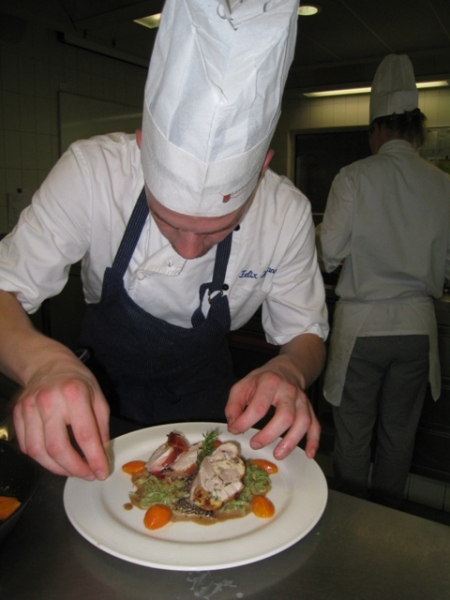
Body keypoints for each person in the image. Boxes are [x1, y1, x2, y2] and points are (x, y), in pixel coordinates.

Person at [0, 0, 328, 481]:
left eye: (217, 228)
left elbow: (305, 334)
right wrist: (42, 364)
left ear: (262, 168)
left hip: (207, 403)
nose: (189, 249)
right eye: (167, 221)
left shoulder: (286, 213)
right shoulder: (93, 173)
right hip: (93, 399)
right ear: (141, 148)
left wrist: (290, 372)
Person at [317, 54, 450, 508]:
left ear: (376, 130)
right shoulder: (442, 184)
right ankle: (389, 522)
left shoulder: (355, 177)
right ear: (417, 132)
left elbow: (329, 253)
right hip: (417, 329)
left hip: (363, 329)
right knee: (399, 435)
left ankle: (352, 523)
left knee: (354, 436)